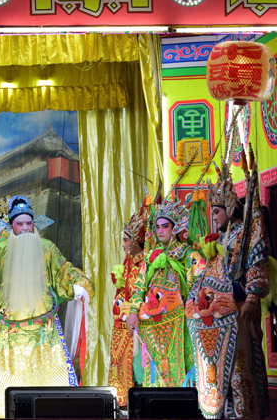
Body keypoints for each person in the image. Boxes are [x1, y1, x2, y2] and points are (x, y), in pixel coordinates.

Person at [0, 195, 93, 419]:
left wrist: (77, 284)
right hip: (8, 330)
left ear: (34, 224)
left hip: (43, 328)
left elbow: (64, 272)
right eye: (19, 224)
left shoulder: (47, 248)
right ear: (12, 226)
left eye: (29, 223)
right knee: (9, 379)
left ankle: (52, 410)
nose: (25, 228)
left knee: (49, 377)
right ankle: (3, 412)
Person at [187, 158, 270, 419]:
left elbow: (257, 258)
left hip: (240, 311)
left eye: (217, 211)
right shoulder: (219, 240)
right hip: (220, 317)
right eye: (212, 212)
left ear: (230, 207)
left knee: (240, 370)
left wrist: (252, 297)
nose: (214, 217)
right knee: (220, 372)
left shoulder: (244, 232)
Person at [126, 199, 194, 388]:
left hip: (178, 322)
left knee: (177, 369)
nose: (160, 230)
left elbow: (195, 284)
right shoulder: (150, 256)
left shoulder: (187, 253)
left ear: (175, 228)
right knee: (154, 375)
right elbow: (140, 286)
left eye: (165, 226)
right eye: (157, 227)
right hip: (150, 325)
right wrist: (133, 312)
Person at [108, 204, 147, 408]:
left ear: (136, 240)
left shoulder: (146, 264)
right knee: (121, 364)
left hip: (138, 325)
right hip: (122, 325)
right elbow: (122, 292)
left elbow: (144, 294)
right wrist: (120, 304)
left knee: (138, 368)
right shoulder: (127, 264)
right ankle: (123, 404)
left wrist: (131, 309)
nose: (123, 245)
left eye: (125, 240)